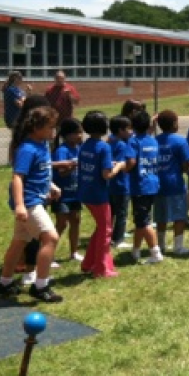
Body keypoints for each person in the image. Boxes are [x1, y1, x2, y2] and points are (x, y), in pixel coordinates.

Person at [0, 106, 64, 303]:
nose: (54, 131)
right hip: (29, 202)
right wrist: (20, 205)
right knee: (50, 237)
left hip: (36, 198)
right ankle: (40, 286)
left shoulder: (42, 145)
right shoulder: (27, 148)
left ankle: (4, 282)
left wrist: (51, 185)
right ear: (37, 128)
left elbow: (40, 171)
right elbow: (18, 177)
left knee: (19, 242)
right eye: (51, 127)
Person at [78, 111, 126, 278]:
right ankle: (101, 269)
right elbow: (107, 174)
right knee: (106, 230)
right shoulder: (104, 147)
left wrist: (109, 165)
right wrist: (119, 165)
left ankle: (88, 263)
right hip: (99, 195)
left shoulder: (85, 145)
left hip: (85, 192)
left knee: (100, 228)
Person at [155, 110, 189, 255]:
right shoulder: (180, 141)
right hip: (175, 183)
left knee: (161, 216)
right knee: (179, 216)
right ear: (173, 124)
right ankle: (178, 247)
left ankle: (161, 245)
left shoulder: (155, 140)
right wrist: (186, 168)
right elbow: (186, 163)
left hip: (158, 184)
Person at [128, 111, 164, 264]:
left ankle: (156, 254)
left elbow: (131, 163)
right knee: (140, 219)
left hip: (140, 186)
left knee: (143, 221)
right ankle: (135, 250)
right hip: (153, 184)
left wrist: (120, 167)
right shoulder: (153, 141)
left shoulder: (133, 142)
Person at [51, 118, 84, 262]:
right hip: (62, 194)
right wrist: (73, 165)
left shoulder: (79, 149)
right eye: (77, 133)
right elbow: (61, 173)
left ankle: (74, 252)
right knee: (61, 223)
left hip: (75, 193)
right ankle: (49, 254)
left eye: (81, 132)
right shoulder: (62, 151)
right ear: (67, 135)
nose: (80, 136)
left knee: (75, 221)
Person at [108, 115, 134, 249]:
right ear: (120, 130)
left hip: (109, 186)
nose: (131, 131)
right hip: (122, 185)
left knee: (110, 213)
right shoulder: (122, 145)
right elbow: (122, 164)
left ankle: (108, 236)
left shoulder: (109, 142)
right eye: (129, 129)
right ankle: (118, 239)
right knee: (122, 213)